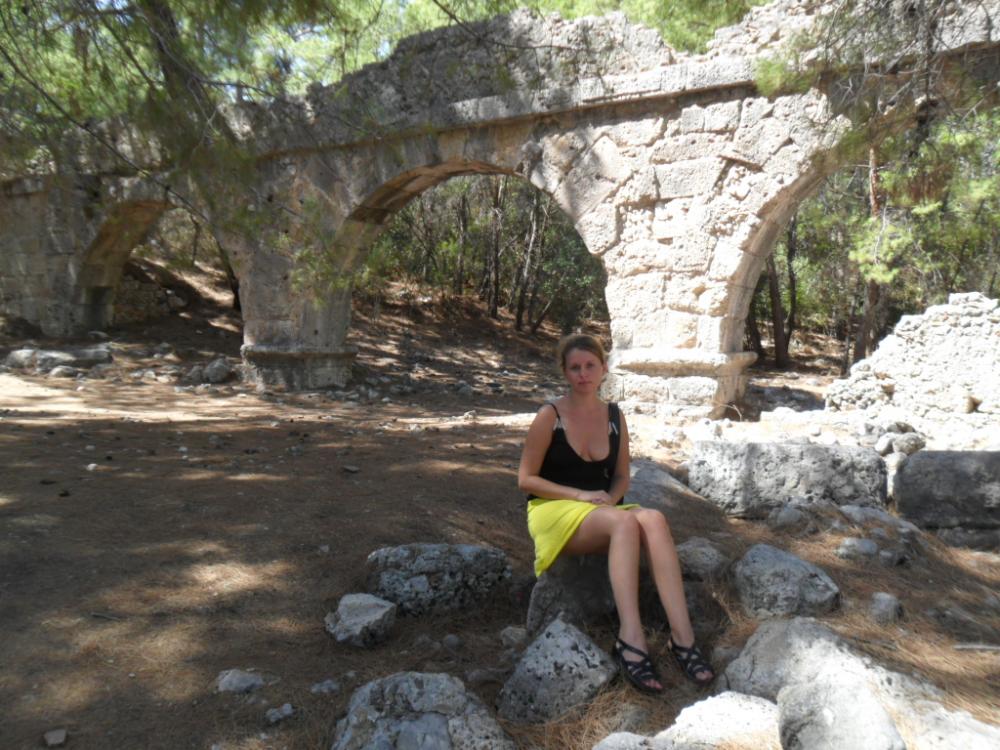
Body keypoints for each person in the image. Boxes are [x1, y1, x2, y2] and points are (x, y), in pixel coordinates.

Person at [517, 333, 714, 693]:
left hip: (601, 507)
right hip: (553, 509)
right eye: (574, 367)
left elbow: (622, 475)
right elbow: (526, 479)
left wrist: (610, 497)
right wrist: (580, 495)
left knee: (654, 519)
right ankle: (631, 637)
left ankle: (683, 637)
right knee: (625, 521)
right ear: (564, 372)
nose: (583, 374)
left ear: (603, 369)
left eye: (590, 365)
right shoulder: (550, 416)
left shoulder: (613, 416)